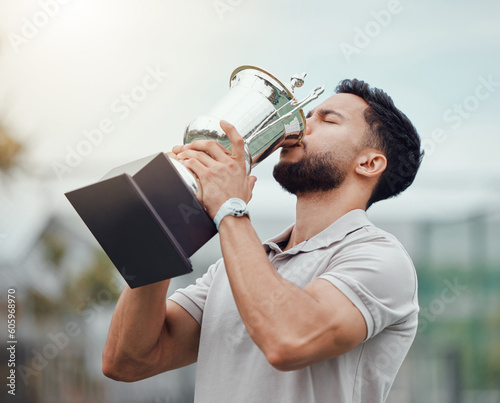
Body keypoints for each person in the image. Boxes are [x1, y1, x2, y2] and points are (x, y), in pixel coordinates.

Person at [102, 78, 424, 402]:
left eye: (327, 119)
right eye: (307, 115)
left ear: (369, 163)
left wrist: (229, 208)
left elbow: (288, 339)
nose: (299, 125)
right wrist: (165, 225)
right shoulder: (236, 267)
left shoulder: (380, 258)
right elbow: (128, 360)